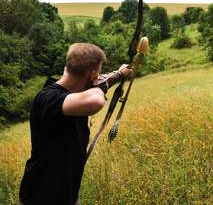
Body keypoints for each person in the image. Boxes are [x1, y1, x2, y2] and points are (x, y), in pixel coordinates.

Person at [19, 43, 132, 205]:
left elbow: (93, 84)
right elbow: (96, 101)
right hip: (41, 196)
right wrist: (104, 83)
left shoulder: (72, 91)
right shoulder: (47, 98)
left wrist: (119, 74)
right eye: (97, 73)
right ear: (92, 74)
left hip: (67, 193)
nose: (100, 77)